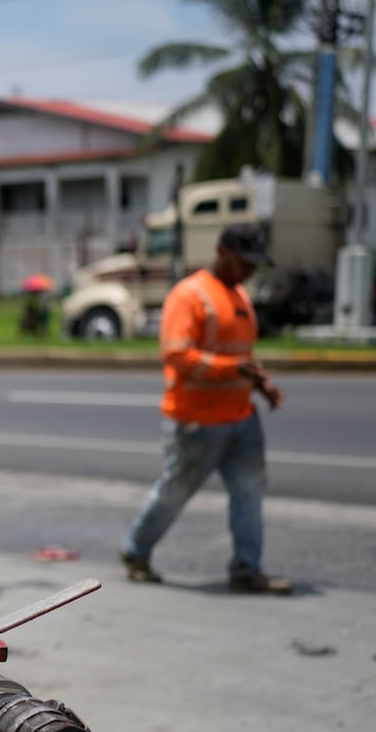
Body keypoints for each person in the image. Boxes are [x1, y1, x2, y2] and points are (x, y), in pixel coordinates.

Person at [119, 223, 293, 594]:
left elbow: (240, 355)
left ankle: (247, 569)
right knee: (176, 490)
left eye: (255, 264)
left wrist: (262, 385)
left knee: (249, 491)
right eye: (245, 262)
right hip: (196, 420)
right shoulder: (190, 294)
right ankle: (136, 551)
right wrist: (234, 369)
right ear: (222, 252)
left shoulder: (239, 296)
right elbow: (176, 355)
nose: (250, 271)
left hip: (241, 417)